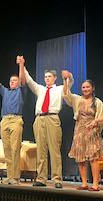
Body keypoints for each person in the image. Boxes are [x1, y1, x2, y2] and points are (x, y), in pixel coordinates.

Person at [23, 58, 73, 188]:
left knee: (54, 150)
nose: (47, 79)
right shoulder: (40, 89)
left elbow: (69, 85)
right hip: (39, 119)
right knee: (41, 150)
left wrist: (68, 77)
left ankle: (57, 179)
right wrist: (22, 64)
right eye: (45, 77)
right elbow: (28, 80)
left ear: (55, 78)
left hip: (52, 118)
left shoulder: (60, 89)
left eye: (49, 76)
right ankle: (41, 178)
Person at [0, 56, 27, 185]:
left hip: (16, 120)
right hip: (4, 120)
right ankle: (9, 176)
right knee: (7, 149)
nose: (12, 82)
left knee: (15, 149)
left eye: (14, 80)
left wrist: (21, 64)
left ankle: (15, 177)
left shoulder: (21, 90)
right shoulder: (5, 91)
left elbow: (22, 78)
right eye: (11, 81)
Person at [63, 77, 103, 191]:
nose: (85, 89)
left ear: (92, 88)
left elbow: (101, 118)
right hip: (79, 131)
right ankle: (84, 183)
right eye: (83, 87)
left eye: (87, 87)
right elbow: (66, 95)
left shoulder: (97, 102)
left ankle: (95, 184)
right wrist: (65, 80)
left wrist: (96, 130)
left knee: (93, 158)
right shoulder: (77, 99)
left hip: (92, 131)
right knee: (80, 158)